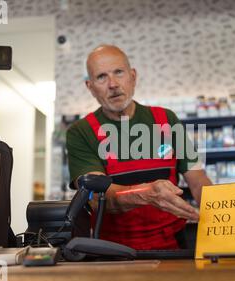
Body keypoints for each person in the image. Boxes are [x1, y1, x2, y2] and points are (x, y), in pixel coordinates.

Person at [66, 45, 212, 250]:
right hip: (112, 250)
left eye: (119, 72)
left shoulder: (166, 119)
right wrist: (147, 193)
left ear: (132, 76)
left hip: (172, 245)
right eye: (101, 77)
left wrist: (224, 216)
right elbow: (97, 198)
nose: (113, 84)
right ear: (90, 87)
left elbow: (198, 181)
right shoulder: (81, 132)